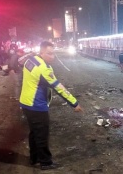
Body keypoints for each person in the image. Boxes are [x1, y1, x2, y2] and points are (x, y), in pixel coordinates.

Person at [19, 41, 83, 170]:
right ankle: (46, 162)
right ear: (41, 52)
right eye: (49, 54)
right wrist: (74, 103)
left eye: (53, 54)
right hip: (36, 106)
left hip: (25, 103)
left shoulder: (31, 60)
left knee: (34, 133)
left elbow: (19, 61)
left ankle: (34, 158)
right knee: (42, 135)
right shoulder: (44, 69)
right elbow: (59, 88)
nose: (52, 56)